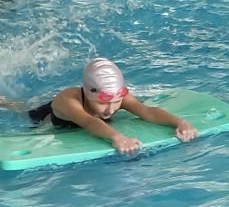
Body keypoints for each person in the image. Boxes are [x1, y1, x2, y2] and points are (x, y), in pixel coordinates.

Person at [0, 58, 197, 154]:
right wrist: (117, 137)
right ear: (87, 93)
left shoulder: (118, 97)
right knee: (21, 109)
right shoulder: (68, 100)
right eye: (103, 103)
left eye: (116, 102)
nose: (111, 109)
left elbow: (146, 111)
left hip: (85, 119)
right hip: (48, 118)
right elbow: (89, 122)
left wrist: (180, 122)